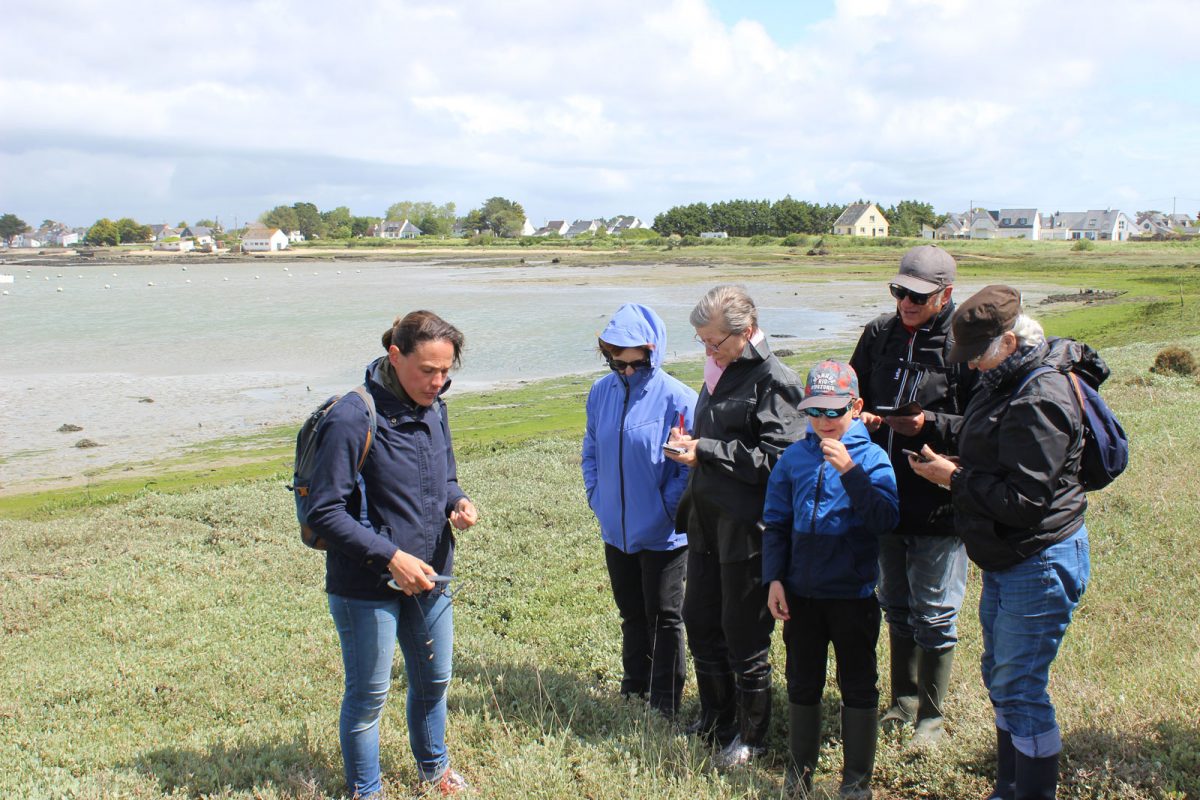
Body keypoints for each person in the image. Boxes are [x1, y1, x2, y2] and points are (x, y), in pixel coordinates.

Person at [908, 286, 1092, 800]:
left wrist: (952, 480)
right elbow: (984, 433)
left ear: (1009, 343)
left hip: (1040, 558)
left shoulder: (1040, 397)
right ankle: (1008, 789)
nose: (971, 367)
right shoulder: (1004, 379)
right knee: (1000, 676)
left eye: (977, 356)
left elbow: (1025, 501)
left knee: (1021, 688)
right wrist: (936, 430)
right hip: (1009, 559)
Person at [306, 310, 479, 798]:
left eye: (446, 371)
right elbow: (324, 512)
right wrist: (390, 557)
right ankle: (367, 790)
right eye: (427, 370)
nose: (437, 382)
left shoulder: (435, 408)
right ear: (395, 356)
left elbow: (444, 478)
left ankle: (435, 770)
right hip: (366, 584)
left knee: (434, 681)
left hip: (431, 575)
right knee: (368, 696)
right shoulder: (353, 415)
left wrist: (457, 503)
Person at [664, 284, 806, 768]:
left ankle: (751, 737)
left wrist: (705, 450)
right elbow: (720, 437)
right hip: (707, 522)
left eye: (713, 341)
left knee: (743, 636)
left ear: (744, 333)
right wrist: (694, 444)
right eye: (701, 341)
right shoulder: (718, 372)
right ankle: (715, 719)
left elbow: (781, 460)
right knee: (701, 622)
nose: (706, 350)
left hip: (749, 530)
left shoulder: (775, 380)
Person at [848, 244, 978, 747]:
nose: (907, 302)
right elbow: (851, 395)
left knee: (936, 611)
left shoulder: (965, 346)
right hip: (884, 496)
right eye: (901, 291)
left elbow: (985, 426)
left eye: (919, 297)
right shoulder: (879, 334)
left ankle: (932, 716)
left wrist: (929, 423)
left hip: (938, 501)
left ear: (946, 295)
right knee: (895, 604)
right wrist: (859, 415)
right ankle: (903, 701)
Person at [763, 360, 899, 799]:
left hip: (853, 597)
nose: (823, 421)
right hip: (801, 595)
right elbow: (776, 521)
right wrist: (774, 579)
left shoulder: (873, 458)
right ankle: (798, 776)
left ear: (856, 407)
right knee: (802, 680)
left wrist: (850, 473)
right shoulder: (793, 458)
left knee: (858, 683)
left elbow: (885, 519)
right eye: (814, 411)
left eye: (834, 411)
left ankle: (856, 782)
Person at [582, 303, 698, 717]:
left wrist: (667, 511)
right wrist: (597, 497)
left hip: (664, 534)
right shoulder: (600, 393)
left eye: (637, 364)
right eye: (619, 365)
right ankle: (634, 691)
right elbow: (591, 451)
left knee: (665, 618)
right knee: (631, 613)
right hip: (616, 529)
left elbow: (684, 470)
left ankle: (665, 701)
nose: (627, 372)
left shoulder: (680, 398)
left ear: (654, 352)